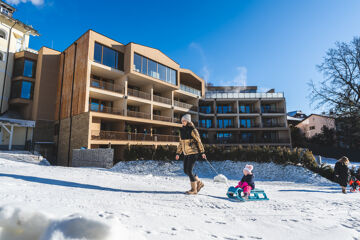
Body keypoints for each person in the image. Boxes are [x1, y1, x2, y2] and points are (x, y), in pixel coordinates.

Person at [175, 114, 206, 195]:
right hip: (186, 153)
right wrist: (178, 153)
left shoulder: (193, 130)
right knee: (186, 171)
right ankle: (199, 182)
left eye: (184, 120)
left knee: (189, 170)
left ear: (188, 121)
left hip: (193, 152)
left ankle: (194, 189)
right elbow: (181, 143)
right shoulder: (181, 130)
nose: (182, 122)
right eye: (182, 121)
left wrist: (202, 152)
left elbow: (199, 141)